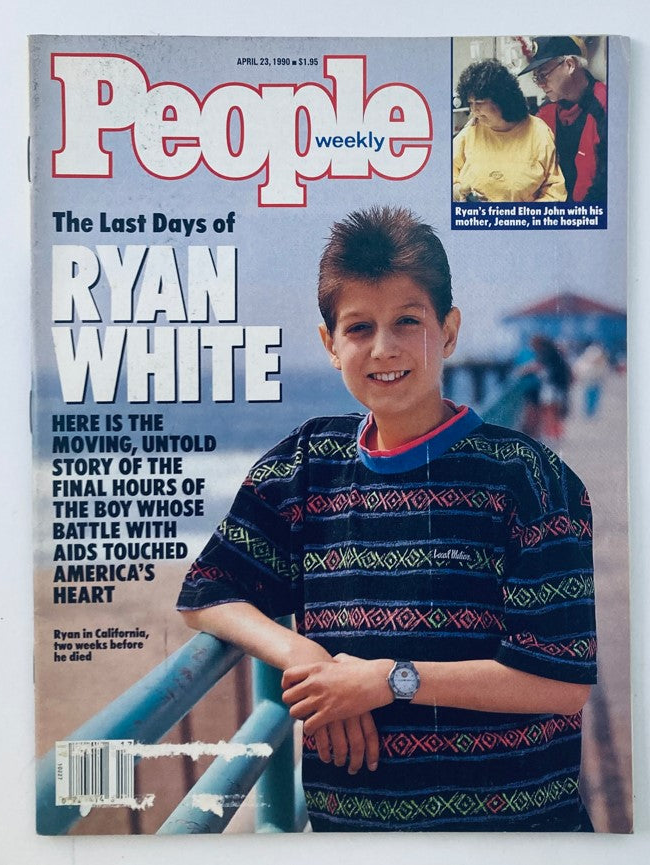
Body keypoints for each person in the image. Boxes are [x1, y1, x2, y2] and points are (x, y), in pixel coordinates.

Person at [177, 207, 596, 832]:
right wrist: (308, 658)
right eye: (359, 327)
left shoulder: (530, 479)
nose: (384, 348)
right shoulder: (307, 465)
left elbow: (561, 681)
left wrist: (388, 681)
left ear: (448, 331)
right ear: (330, 344)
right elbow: (207, 591)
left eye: (408, 321)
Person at [453, 59, 566, 202]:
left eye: (479, 103)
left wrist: (518, 214)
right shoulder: (471, 130)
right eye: (470, 103)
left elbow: (554, 192)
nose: (474, 110)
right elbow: (446, 174)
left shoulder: (538, 132)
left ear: (501, 100)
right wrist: (459, 192)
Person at [519, 36, 607, 203]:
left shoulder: (606, 105)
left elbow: (608, 179)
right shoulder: (545, 112)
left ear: (570, 65)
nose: (541, 84)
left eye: (543, 75)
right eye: (536, 78)